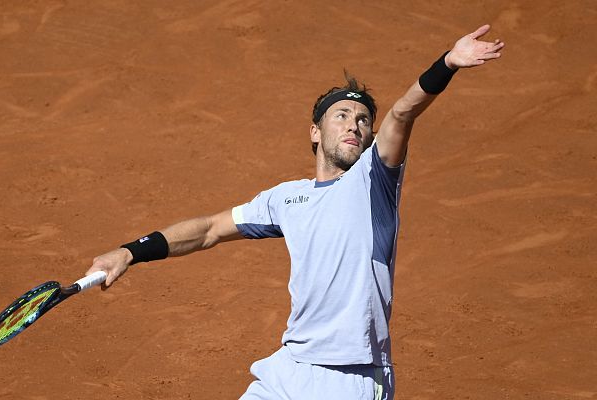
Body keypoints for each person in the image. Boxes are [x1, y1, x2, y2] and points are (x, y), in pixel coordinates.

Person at [86, 25, 504, 400]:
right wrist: (130, 252)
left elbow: (401, 113)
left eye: (363, 120)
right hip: (289, 370)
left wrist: (446, 64)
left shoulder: (374, 182)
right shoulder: (287, 199)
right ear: (315, 131)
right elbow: (211, 229)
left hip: (351, 380)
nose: (354, 125)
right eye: (341, 115)